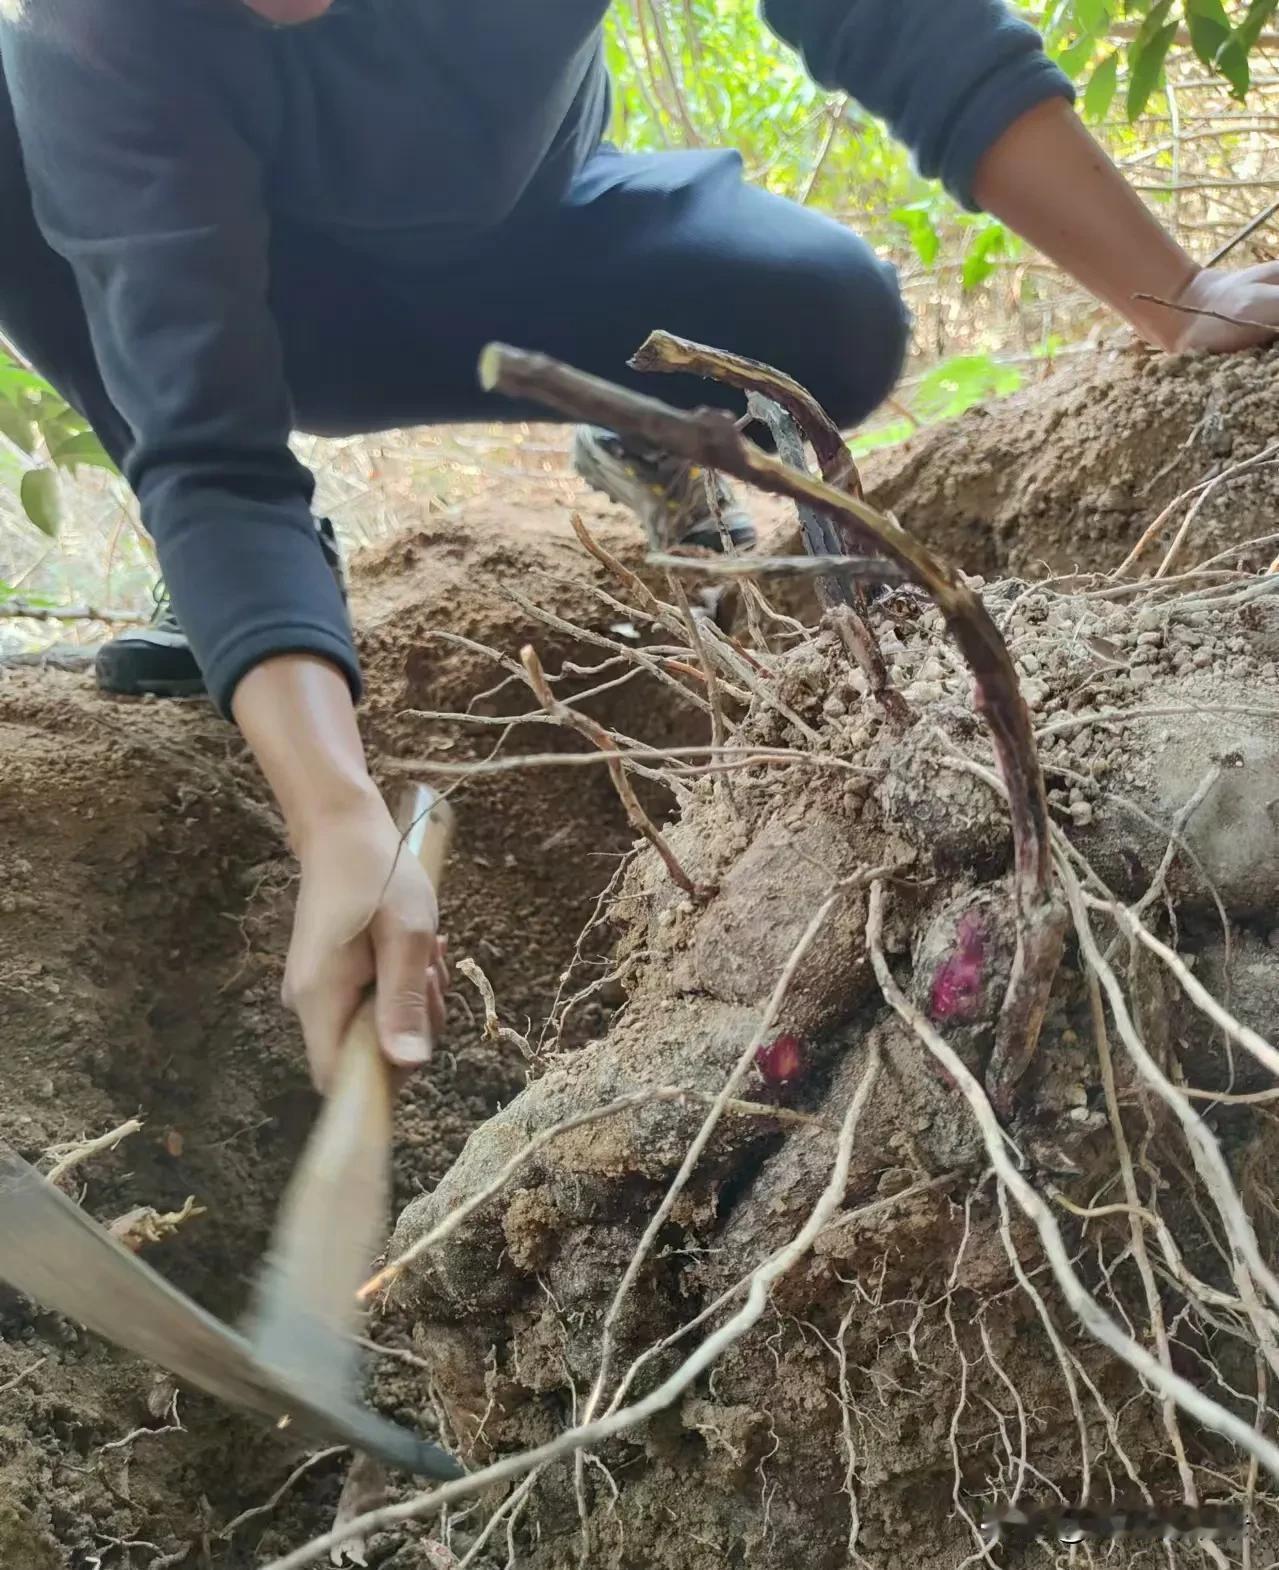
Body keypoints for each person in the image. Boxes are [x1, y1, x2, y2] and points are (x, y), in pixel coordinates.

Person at [1, 0, 1275, 1095]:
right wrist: (336, 813)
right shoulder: (102, 37)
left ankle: (643, 438)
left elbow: (895, 18)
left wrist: (1173, 293)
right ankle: (259, 597)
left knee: (831, 310)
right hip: (278, 312)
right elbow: (210, 454)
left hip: (559, 249)